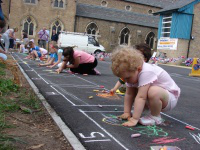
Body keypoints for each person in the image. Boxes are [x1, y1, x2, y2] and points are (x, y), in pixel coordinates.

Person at [111, 47, 180, 126]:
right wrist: (127, 112)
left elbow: (141, 97)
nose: (126, 81)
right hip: (156, 98)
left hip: (170, 98)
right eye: (124, 78)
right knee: (137, 90)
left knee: (152, 91)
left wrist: (135, 119)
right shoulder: (132, 73)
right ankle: (142, 110)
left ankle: (155, 117)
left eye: (127, 78)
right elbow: (129, 94)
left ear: (139, 69)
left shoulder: (146, 71)